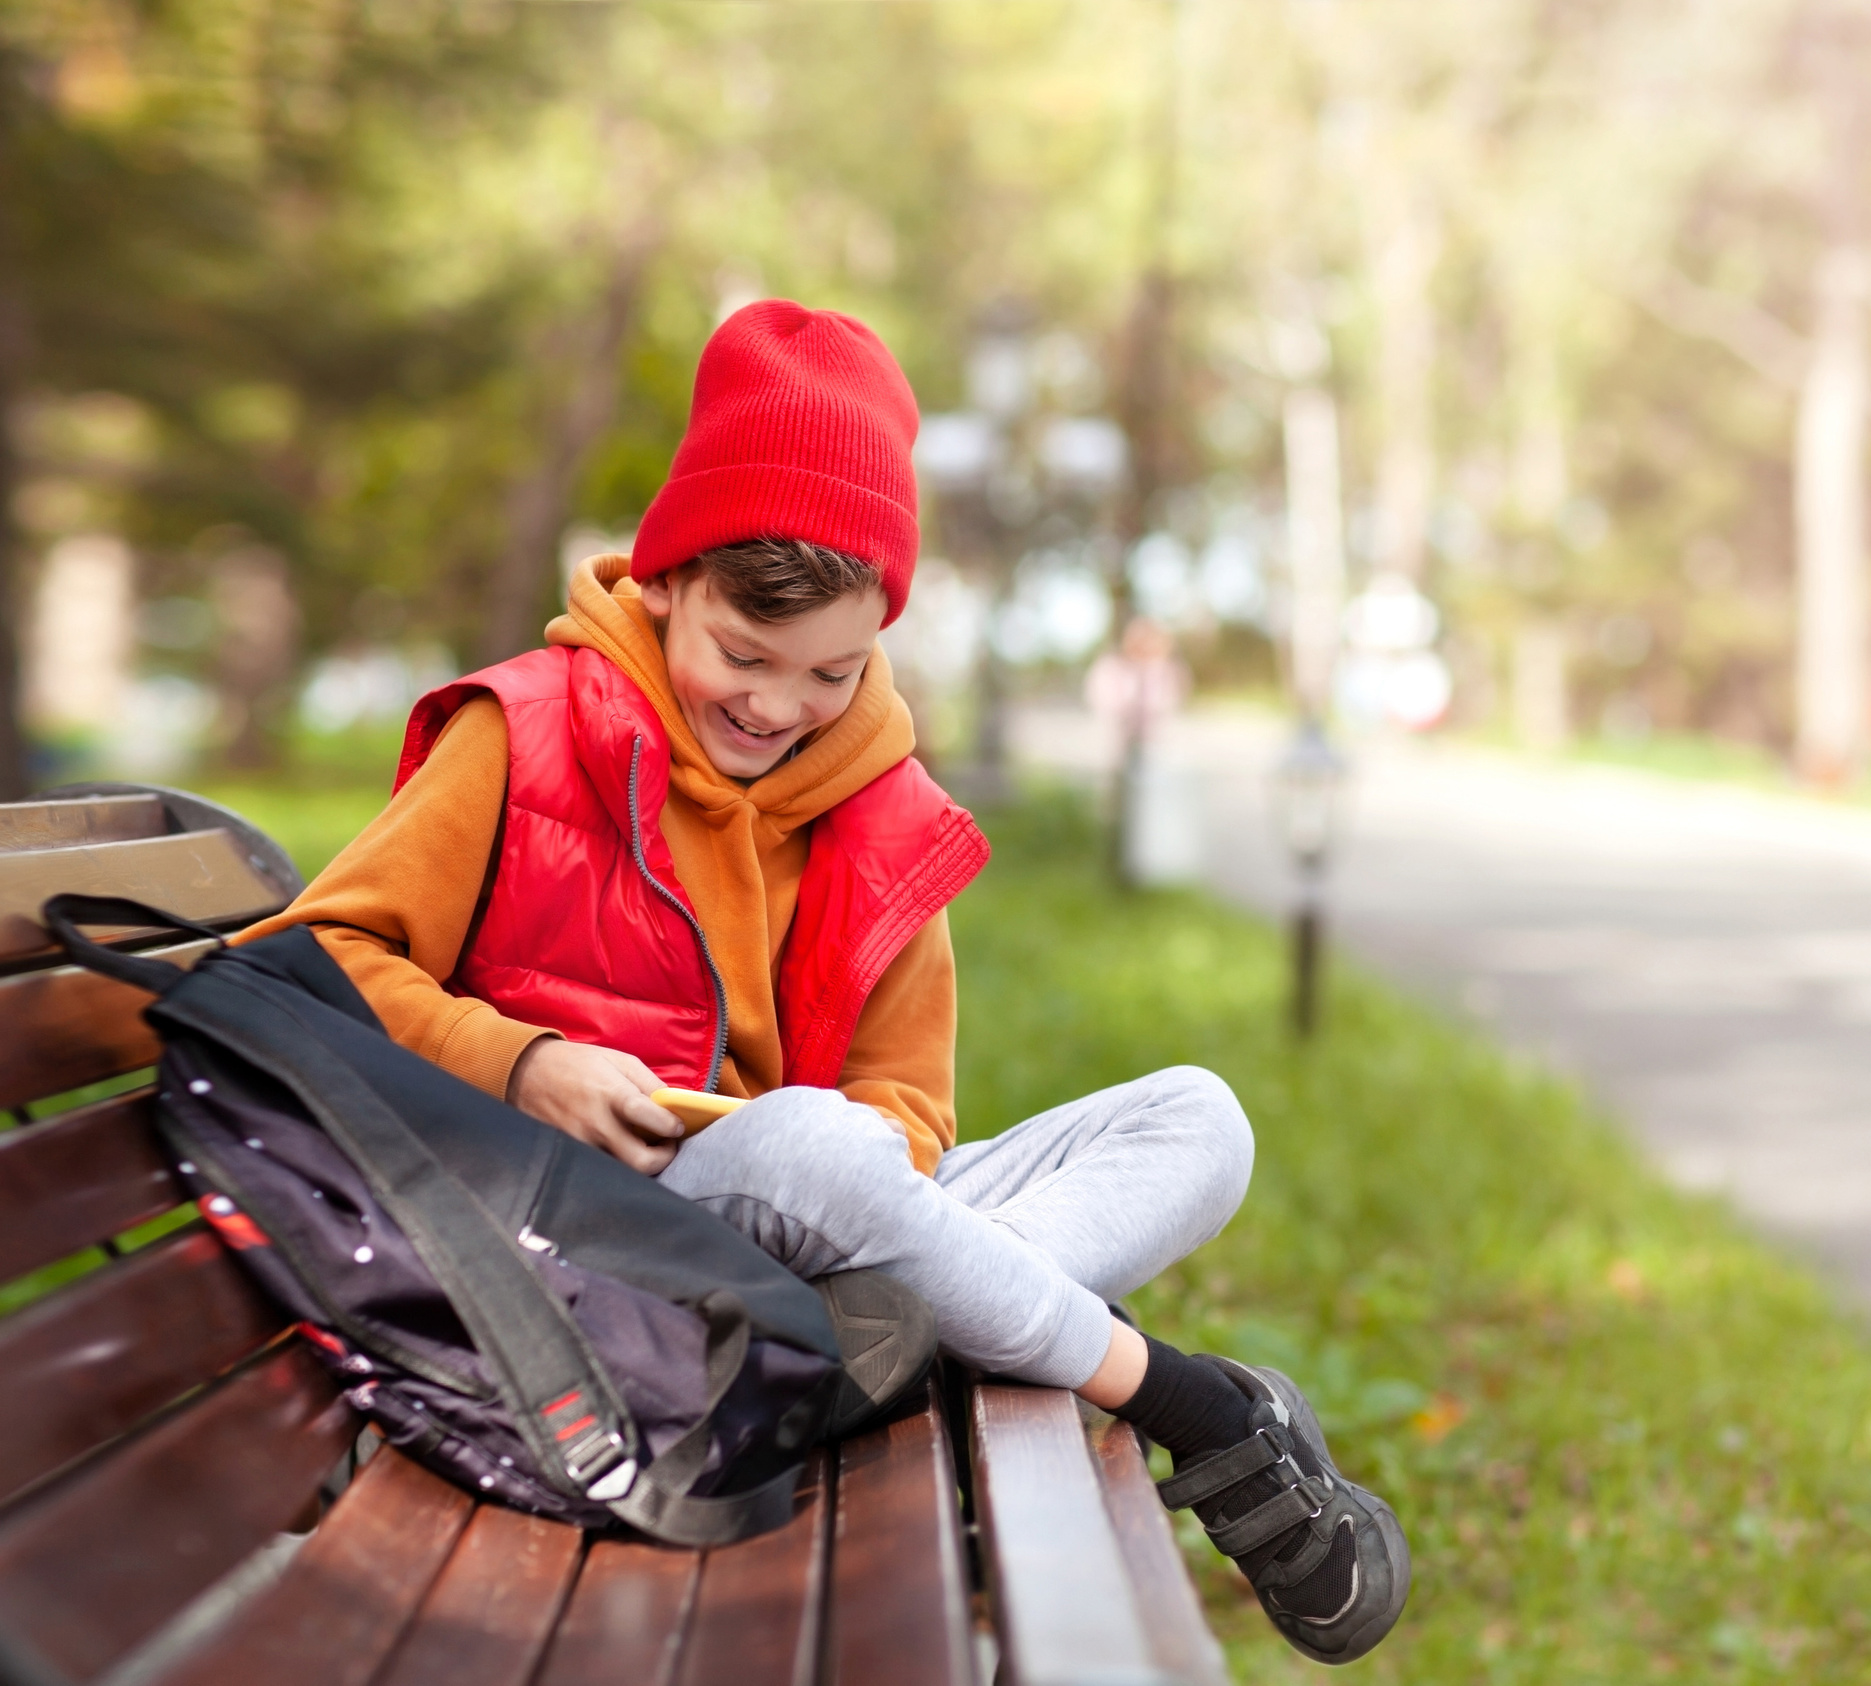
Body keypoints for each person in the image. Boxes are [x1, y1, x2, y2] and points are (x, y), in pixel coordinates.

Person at [250, 301, 1406, 1664]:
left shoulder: (883, 808)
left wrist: (868, 1193)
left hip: (815, 1244)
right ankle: (1190, 1401)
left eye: (832, 670)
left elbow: (907, 1111)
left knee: (1194, 1117)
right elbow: (304, 968)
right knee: (809, 1143)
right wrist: (520, 1061)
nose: (778, 704)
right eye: (744, 654)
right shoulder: (528, 733)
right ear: (673, 578)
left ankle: (893, 1339)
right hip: (586, 1252)